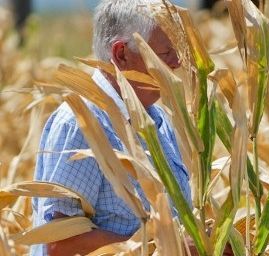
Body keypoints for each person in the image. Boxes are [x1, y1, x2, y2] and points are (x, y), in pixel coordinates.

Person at [31, 0, 191, 255]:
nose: (177, 62)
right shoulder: (82, 124)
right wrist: (166, 248)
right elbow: (61, 244)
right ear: (121, 54)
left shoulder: (157, 120)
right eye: (165, 53)